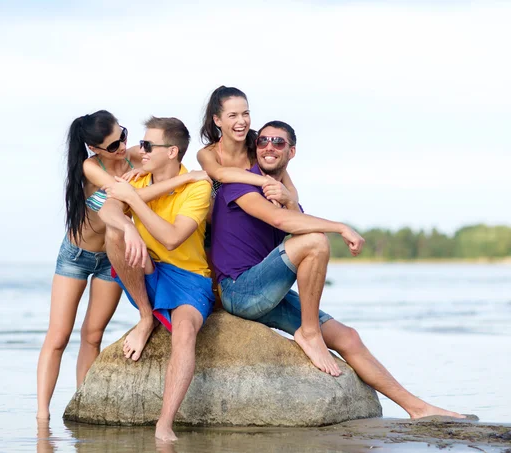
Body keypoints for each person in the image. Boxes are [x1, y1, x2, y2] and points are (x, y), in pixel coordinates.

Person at [211, 119, 464, 419]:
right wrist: (341, 227)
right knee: (316, 243)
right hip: (239, 290)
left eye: (278, 143)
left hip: (265, 292)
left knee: (349, 337)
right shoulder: (240, 181)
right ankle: (309, 333)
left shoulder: (283, 192)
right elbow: (284, 225)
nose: (269, 147)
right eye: (263, 141)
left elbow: (293, 223)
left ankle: (418, 408)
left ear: (291, 152)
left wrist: (291, 200)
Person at [36, 110, 208, 420]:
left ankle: (81, 402)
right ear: (96, 149)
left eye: (124, 136)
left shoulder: (135, 156)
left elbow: (150, 177)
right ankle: (42, 416)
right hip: (77, 253)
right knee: (59, 336)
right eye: (114, 145)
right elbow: (123, 198)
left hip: (111, 257)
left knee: (93, 334)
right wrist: (185, 178)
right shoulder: (92, 166)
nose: (124, 146)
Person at [97, 116, 214, 441]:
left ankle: (165, 424)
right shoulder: (138, 177)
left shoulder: (198, 184)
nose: (140, 150)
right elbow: (107, 212)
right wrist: (128, 225)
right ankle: (146, 318)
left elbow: (173, 238)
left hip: (190, 277)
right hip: (147, 270)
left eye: (148, 145)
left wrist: (133, 202)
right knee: (114, 232)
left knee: (185, 331)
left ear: (173, 151)